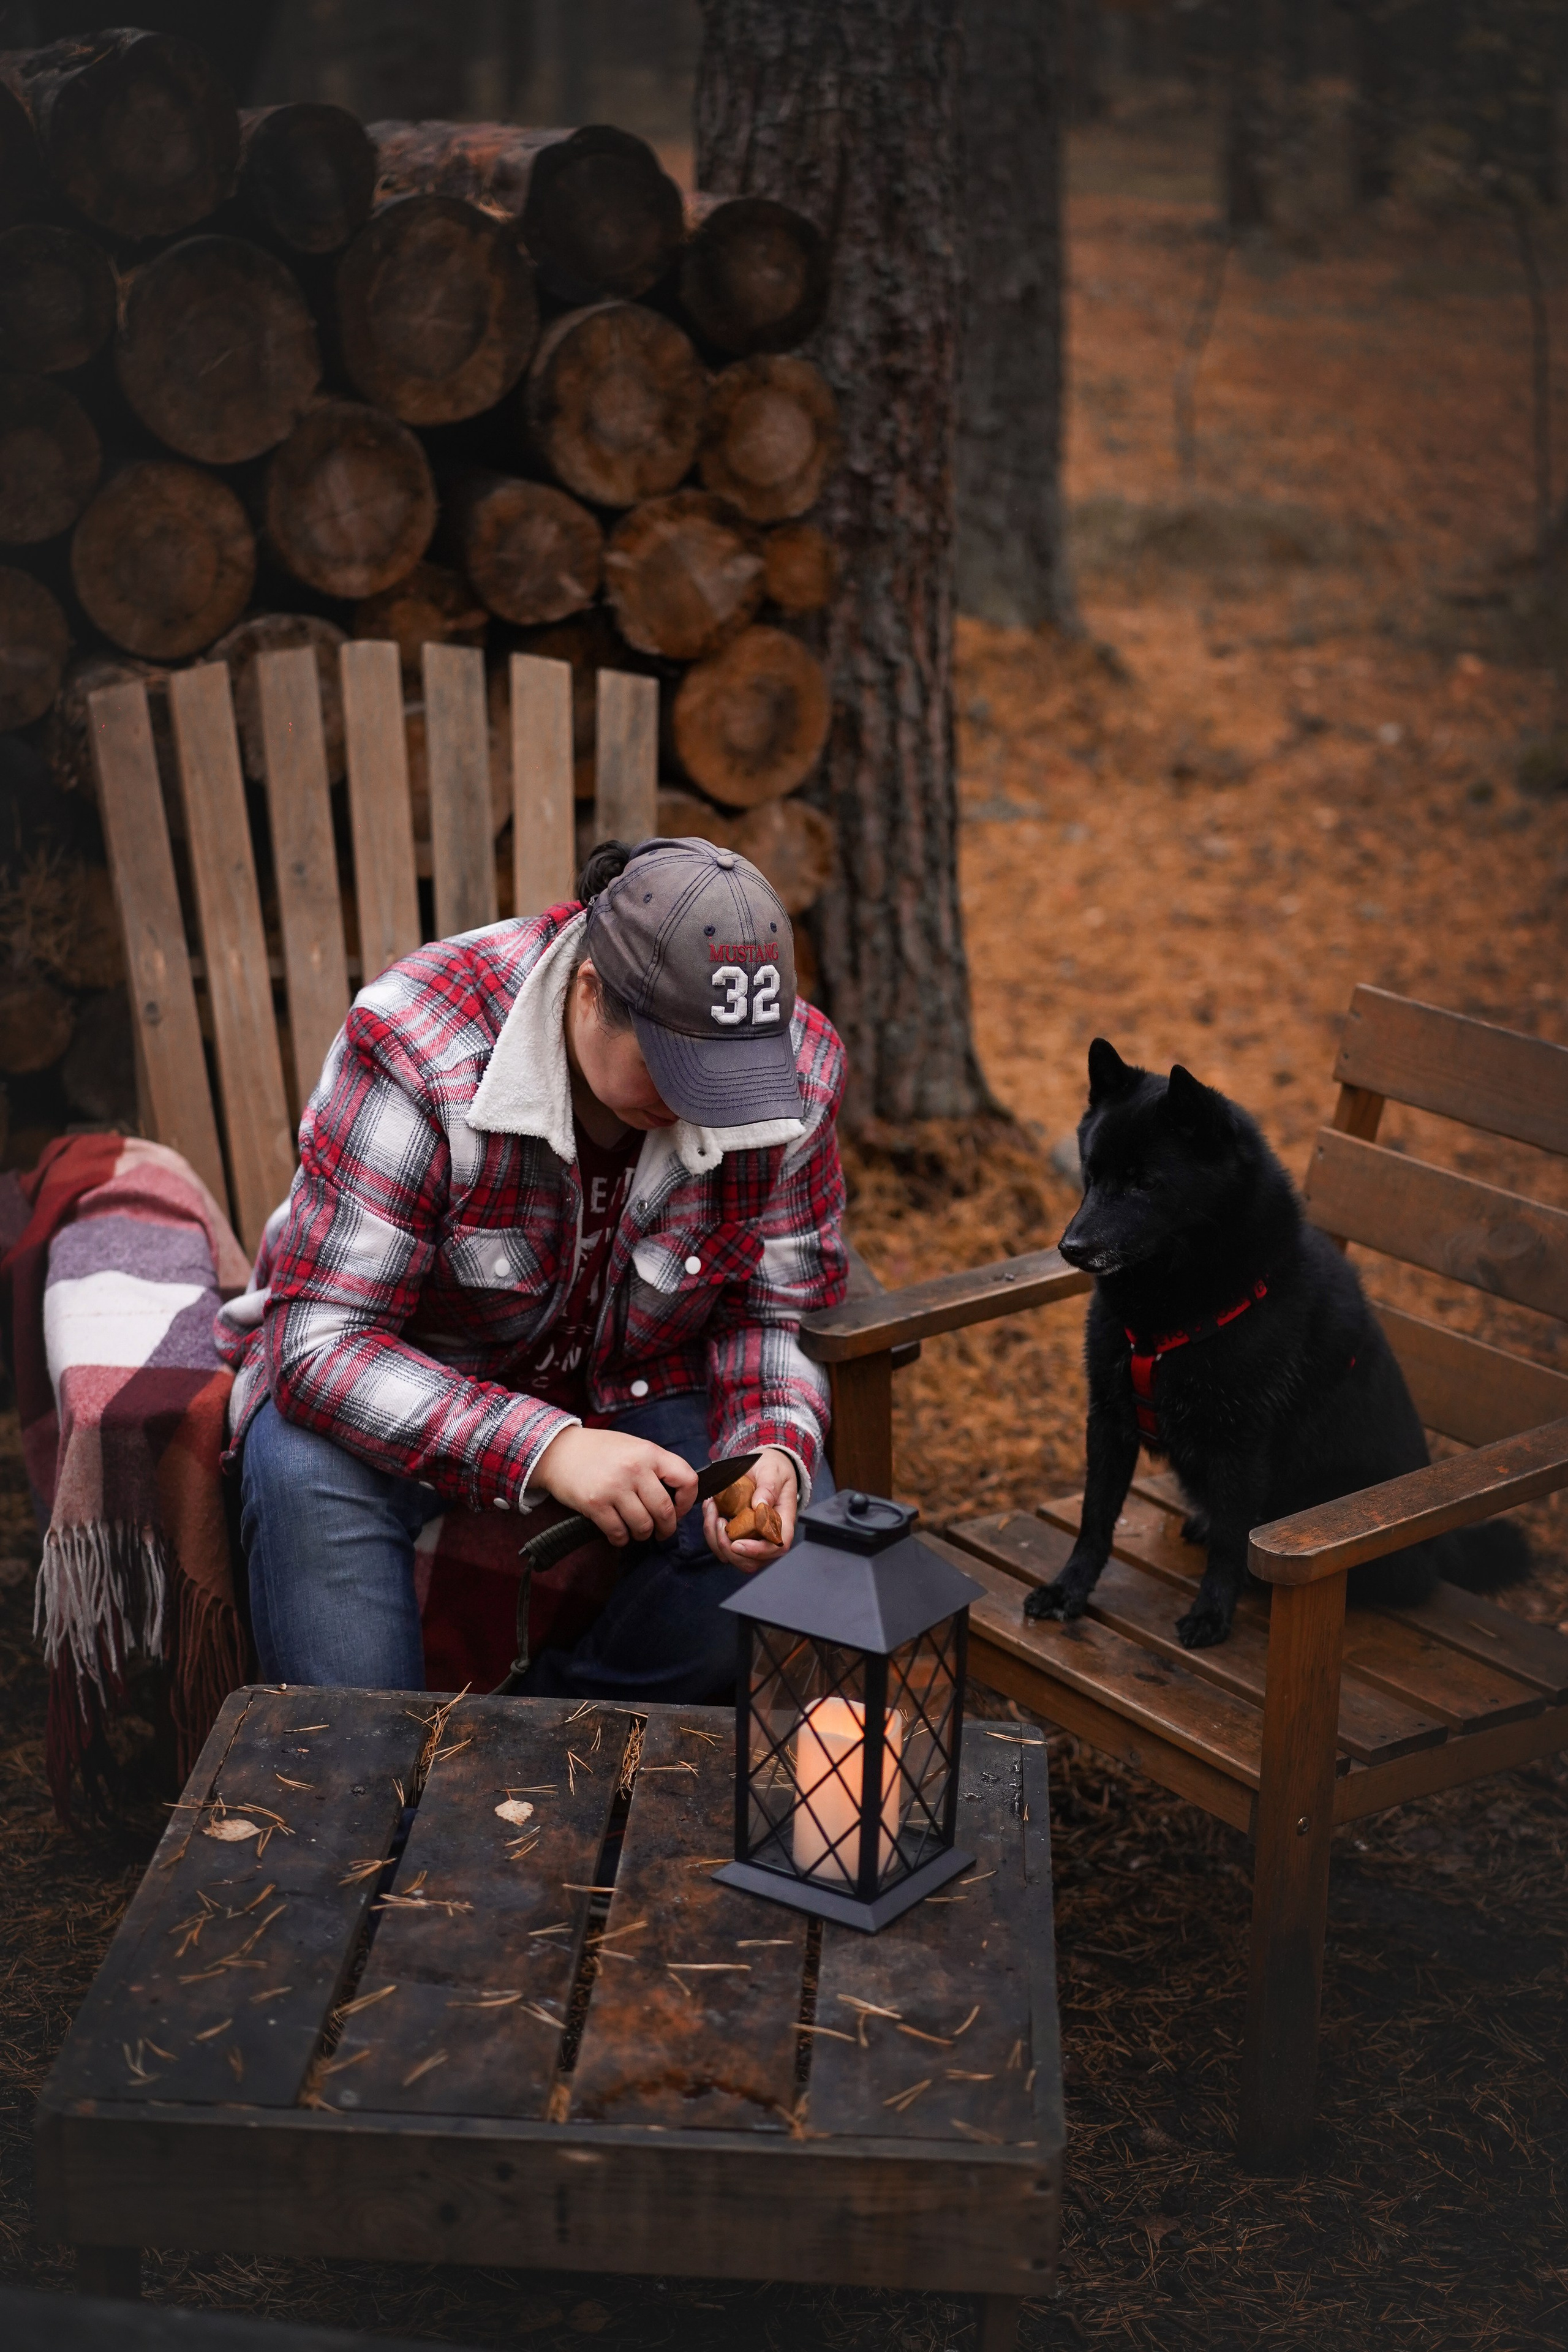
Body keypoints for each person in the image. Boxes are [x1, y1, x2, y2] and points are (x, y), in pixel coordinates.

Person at [221, 835, 847, 1700]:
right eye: (676, 1069)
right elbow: (320, 1342)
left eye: (729, 1079)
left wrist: (772, 1443)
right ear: (591, 990)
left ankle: (549, 1754)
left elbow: (772, 1313)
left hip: (645, 1384)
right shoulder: (420, 1043)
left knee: (793, 1532)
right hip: (423, 1374)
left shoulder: (799, 1073)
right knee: (296, 1467)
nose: (704, 1103)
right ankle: (361, 1796)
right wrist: (546, 1448)